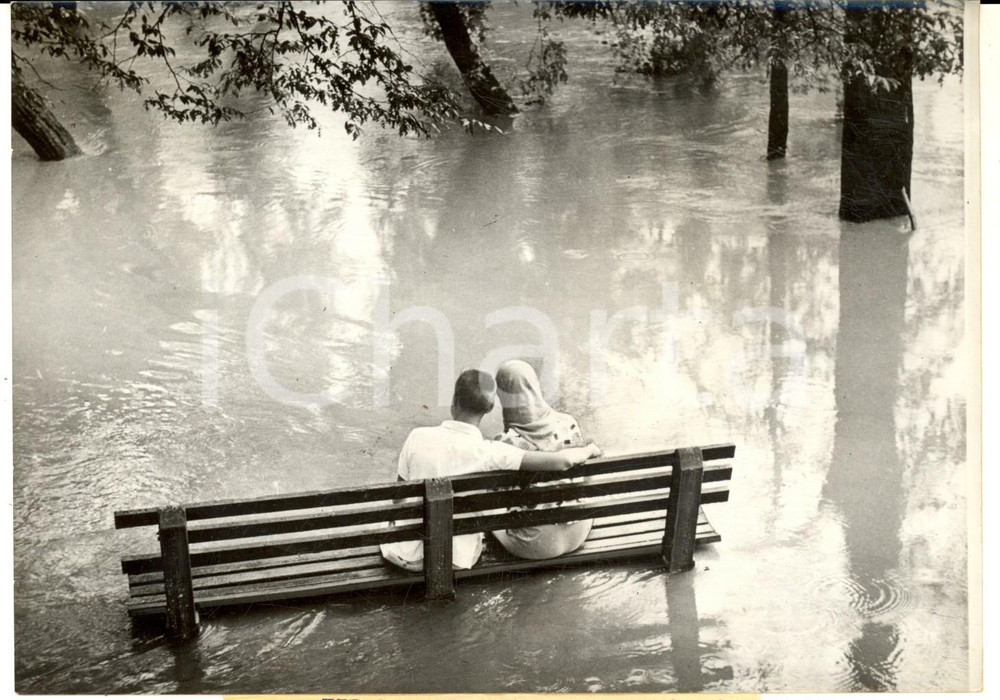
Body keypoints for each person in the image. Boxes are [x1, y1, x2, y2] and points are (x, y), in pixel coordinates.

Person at [379, 369, 601, 572]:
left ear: (454, 402)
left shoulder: (417, 436)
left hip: (404, 556)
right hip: (457, 559)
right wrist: (590, 448)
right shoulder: (492, 452)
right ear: (489, 408)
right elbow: (562, 461)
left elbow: (398, 500)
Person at [491, 360, 595, 560]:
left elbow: (498, 496)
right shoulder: (569, 422)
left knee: (484, 512)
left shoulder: (506, 441)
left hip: (534, 545)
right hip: (578, 531)